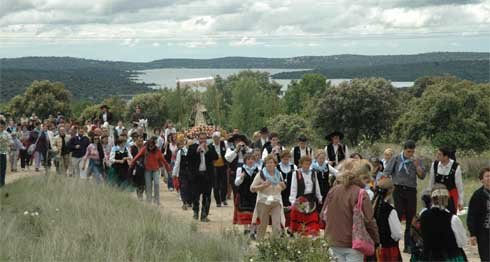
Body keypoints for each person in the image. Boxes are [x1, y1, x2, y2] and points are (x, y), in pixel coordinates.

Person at [322, 158, 379, 262]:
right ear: (363, 177)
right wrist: (376, 240)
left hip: (333, 240)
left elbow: (323, 215)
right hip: (354, 243)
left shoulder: (333, 190)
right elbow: (370, 221)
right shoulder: (361, 193)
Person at [383, 140, 425, 253]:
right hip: (398, 189)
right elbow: (386, 172)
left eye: (412, 151)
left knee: (411, 217)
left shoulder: (417, 160)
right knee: (398, 214)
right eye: (408, 151)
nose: (410, 154)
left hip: (411, 190)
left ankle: (408, 245)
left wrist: (417, 166)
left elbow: (422, 176)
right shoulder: (396, 158)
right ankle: (394, 243)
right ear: (404, 149)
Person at [419, 184, 467, 261]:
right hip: (448, 257)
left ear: (432, 198)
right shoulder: (453, 219)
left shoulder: (423, 215)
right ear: (447, 198)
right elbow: (462, 242)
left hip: (428, 257)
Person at [250, 155, 286, 239]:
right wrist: (262, 186)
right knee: (263, 224)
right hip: (263, 201)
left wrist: (283, 185)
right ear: (265, 164)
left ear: (275, 164)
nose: (270, 164)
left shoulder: (278, 174)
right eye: (267, 163)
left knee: (277, 223)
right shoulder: (261, 174)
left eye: (271, 162)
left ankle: (275, 243)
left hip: (276, 201)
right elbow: (252, 188)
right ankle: (260, 241)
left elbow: (283, 187)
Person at [131, 137, 172, 205]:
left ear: (154, 145)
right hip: (147, 170)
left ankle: (157, 200)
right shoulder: (144, 149)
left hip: (156, 170)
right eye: (149, 146)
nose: (150, 147)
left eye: (152, 146)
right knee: (148, 185)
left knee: (156, 184)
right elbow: (137, 157)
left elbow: (164, 161)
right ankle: (149, 200)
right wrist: (132, 165)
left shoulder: (158, 150)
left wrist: (168, 170)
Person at [188, 132, 218, 222]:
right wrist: (197, 151)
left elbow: (215, 157)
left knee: (207, 196)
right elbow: (188, 158)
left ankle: (204, 215)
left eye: (204, 139)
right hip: (196, 176)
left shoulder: (210, 147)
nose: (203, 141)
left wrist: (207, 150)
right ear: (198, 139)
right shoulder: (192, 147)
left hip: (207, 176)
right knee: (195, 196)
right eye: (201, 139)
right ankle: (196, 213)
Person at [289, 156, 323, 236]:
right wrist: (293, 201)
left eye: (308, 164)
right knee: (301, 221)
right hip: (301, 199)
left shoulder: (313, 173)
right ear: (301, 164)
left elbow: (316, 185)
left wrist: (319, 197)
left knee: (312, 220)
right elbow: (293, 187)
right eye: (305, 164)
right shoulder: (296, 173)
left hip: (311, 199)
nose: (307, 166)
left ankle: (312, 234)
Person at [372, 178, 403, 262]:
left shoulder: (371, 207)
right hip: (388, 250)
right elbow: (397, 234)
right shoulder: (390, 210)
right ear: (391, 191)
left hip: (373, 249)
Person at [429, 146, 464, 214]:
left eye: (439, 154)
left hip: (450, 197)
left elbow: (459, 186)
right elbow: (431, 182)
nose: (437, 156)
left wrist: (461, 201)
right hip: (436, 197)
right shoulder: (434, 165)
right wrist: (430, 196)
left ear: (446, 156)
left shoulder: (455, 167)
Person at [467, 167, 490, 262]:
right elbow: (472, 215)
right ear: (482, 180)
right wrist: (473, 234)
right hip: (484, 232)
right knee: (486, 257)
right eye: (487, 176)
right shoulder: (477, 195)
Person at [234, 153, 259, 234]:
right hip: (243, 194)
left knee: (254, 213)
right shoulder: (240, 169)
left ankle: (253, 231)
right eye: (248, 159)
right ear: (245, 161)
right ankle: (246, 229)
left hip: (254, 194)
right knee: (245, 212)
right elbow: (236, 183)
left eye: (252, 159)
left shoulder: (258, 170)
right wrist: (241, 178)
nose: (250, 161)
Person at [172, 134, 193, 210]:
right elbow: (177, 163)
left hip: (191, 172)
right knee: (184, 187)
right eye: (189, 144)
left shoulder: (193, 152)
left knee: (190, 187)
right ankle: (184, 202)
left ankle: (190, 201)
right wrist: (174, 173)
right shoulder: (181, 152)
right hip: (183, 172)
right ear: (186, 143)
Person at [211, 131, 228, 207]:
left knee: (224, 183)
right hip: (214, 167)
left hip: (223, 166)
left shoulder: (224, 144)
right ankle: (218, 201)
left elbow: (228, 154)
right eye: (215, 138)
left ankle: (223, 198)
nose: (216, 140)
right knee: (216, 184)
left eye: (217, 138)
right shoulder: (211, 146)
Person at [129, 134, 145, 200]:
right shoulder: (133, 147)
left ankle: (141, 193)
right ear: (136, 141)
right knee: (137, 182)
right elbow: (131, 157)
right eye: (139, 141)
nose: (140, 142)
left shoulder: (145, 148)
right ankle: (139, 194)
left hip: (144, 167)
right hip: (135, 167)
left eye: (141, 141)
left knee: (143, 182)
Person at [0, 120, 12, 187]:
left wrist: (6, 143)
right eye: (0, 126)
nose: (1, 128)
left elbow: (11, 142)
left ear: (4, 127)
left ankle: (2, 183)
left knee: (3, 169)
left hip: (3, 153)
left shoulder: (6, 133)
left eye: (2, 127)